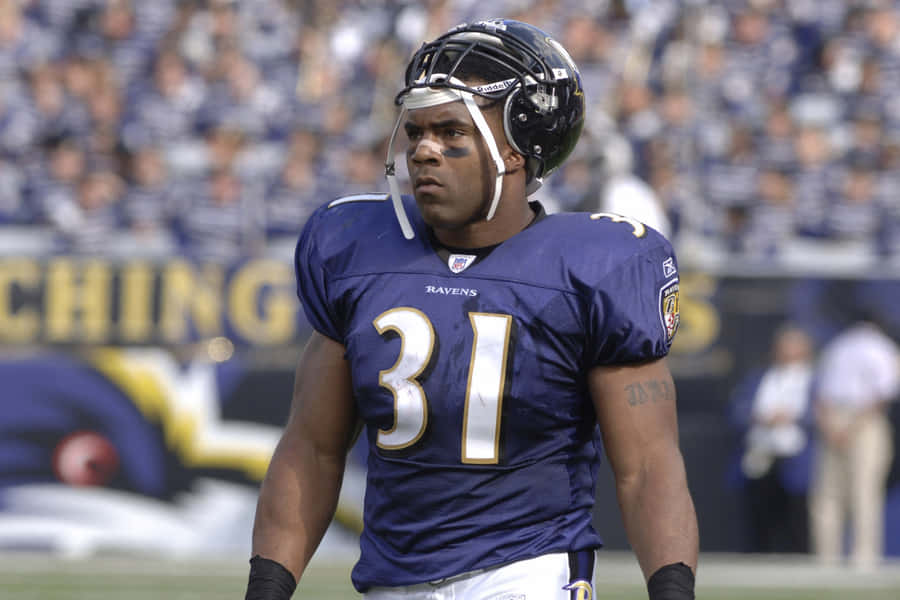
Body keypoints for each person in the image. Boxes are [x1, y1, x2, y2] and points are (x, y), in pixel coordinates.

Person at [245, 19, 698, 600]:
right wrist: (267, 588)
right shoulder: (355, 248)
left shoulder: (598, 266)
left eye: (451, 132)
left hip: (528, 572)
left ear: (515, 150)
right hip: (391, 578)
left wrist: (672, 589)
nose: (424, 151)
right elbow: (313, 446)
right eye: (416, 132)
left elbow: (648, 466)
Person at [809, 316, 900, 570]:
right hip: (865, 422)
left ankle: (826, 558)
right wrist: (852, 427)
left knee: (828, 494)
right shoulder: (882, 347)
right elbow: (884, 394)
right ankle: (864, 557)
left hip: (834, 421)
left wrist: (832, 428)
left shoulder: (836, 346)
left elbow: (820, 396)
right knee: (864, 490)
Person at [728, 323, 815, 554]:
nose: (786, 352)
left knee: (797, 521)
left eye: (792, 346)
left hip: (796, 460)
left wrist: (793, 417)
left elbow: (820, 413)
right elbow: (738, 410)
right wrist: (760, 417)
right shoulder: (759, 377)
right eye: (783, 346)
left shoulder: (814, 379)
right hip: (761, 456)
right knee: (759, 519)